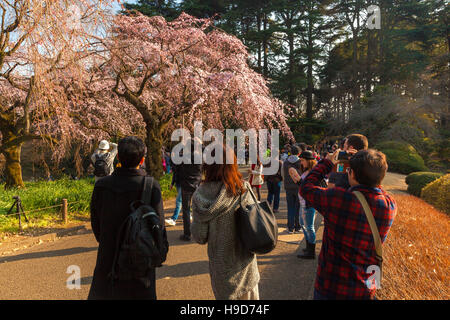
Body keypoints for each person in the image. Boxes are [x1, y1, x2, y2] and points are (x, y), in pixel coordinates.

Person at [300, 148, 396, 300]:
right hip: (364, 289)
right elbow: (374, 187)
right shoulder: (389, 204)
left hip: (331, 287)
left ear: (351, 173)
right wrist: (364, 164)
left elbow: (306, 188)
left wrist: (327, 162)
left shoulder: (338, 198)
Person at [88, 136, 165, 300]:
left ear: (118, 158)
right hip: (140, 259)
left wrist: (106, 239)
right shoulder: (150, 186)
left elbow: (95, 221)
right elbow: (159, 227)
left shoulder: (102, 185)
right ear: (142, 159)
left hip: (108, 257)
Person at [191, 144, 260, 300]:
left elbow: (200, 237)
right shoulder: (243, 188)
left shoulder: (200, 195)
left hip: (221, 266)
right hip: (245, 265)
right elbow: (256, 224)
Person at [177, 138, 202, 241]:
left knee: (186, 210)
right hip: (197, 184)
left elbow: (178, 170)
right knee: (198, 209)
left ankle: (187, 234)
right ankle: (200, 232)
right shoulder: (200, 157)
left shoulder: (184, 158)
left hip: (186, 185)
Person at [295, 151, 318, 259]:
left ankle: (311, 251)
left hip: (308, 204)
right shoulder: (307, 171)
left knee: (309, 227)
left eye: (303, 160)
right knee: (303, 224)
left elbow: (310, 188)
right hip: (303, 203)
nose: (301, 163)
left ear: (309, 161)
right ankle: (309, 246)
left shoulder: (312, 173)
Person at [282, 145, 302, 233]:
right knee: (298, 207)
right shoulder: (301, 162)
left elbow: (283, 174)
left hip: (288, 187)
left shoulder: (286, 162)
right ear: (299, 153)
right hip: (298, 187)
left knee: (290, 207)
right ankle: (298, 227)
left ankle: (290, 227)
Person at [165, 157, 182, 226]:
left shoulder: (185, 162)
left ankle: (173, 219)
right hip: (178, 183)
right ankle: (189, 213)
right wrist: (172, 183)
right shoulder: (177, 163)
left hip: (184, 184)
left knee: (178, 201)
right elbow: (175, 174)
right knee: (183, 201)